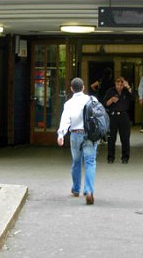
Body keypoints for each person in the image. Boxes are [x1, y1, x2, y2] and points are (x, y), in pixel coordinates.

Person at [56, 77, 97, 205]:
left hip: (75, 134)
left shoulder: (68, 104)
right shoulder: (92, 100)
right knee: (90, 162)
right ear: (83, 87)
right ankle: (89, 190)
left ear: (71, 89)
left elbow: (65, 120)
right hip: (89, 135)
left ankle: (75, 189)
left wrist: (61, 134)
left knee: (76, 162)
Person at [103, 77, 134, 164]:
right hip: (113, 116)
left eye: (121, 84)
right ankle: (110, 157)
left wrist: (128, 87)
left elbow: (133, 98)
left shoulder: (126, 91)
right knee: (111, 138)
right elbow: (105, 104)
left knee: (125, 138)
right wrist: (112, 100)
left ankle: (125, 157)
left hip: (123, 116)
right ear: (115, 83)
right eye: (118, 84)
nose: (119, 86)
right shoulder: (110, 91)